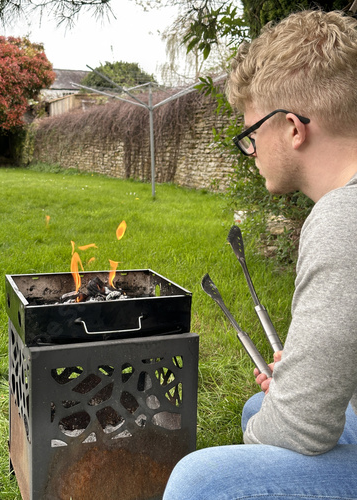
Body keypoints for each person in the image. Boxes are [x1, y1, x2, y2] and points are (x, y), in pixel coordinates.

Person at [163, 9, 357, 499]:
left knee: (201, 482)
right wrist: (307, 373)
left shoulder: (343, 219)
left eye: (251, 135)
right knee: (258, 405)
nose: (250, 151)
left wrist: (253, 455)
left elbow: (299, 430)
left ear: (293, 128)